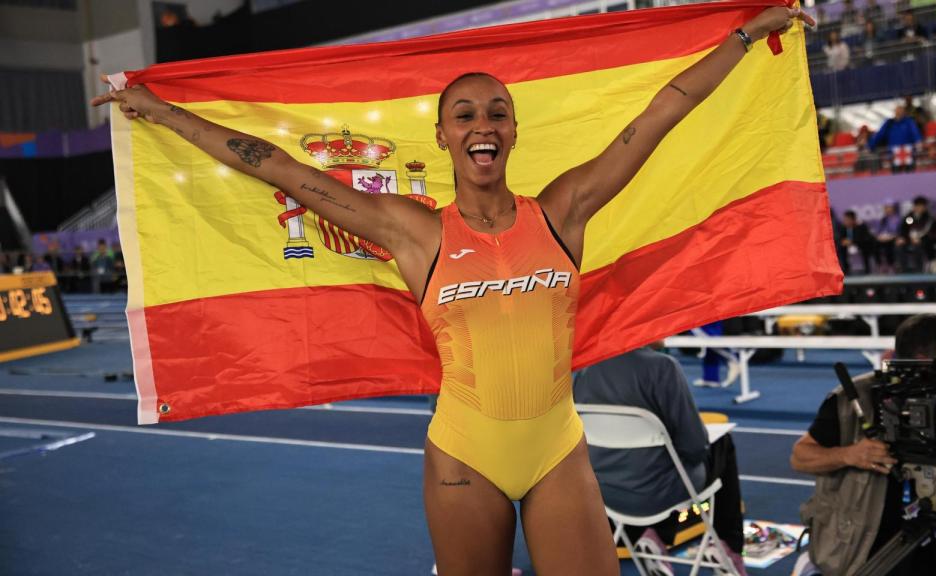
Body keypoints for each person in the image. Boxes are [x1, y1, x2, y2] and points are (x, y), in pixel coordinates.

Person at [92, 7, 811, 575]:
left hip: (558, 449)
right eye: (464, 115)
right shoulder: (414, 233)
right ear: (442, 137)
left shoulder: (563, 209)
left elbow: (659, 115)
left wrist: (746, 36)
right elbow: (277, 168)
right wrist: (160, 111)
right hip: (465, 457)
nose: (482, 125)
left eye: (496, 111)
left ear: (514, 130)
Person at [791, 314, 936, 576]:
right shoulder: (853, 399)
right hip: (867, 530)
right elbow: (800, 456)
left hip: (935, 510)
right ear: (923, 358)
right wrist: (851, 454)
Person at [573, 342, 747, 576]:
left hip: (607, 495)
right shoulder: (663, 368)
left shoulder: (582, 371)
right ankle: (728, 547)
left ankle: (647, 533)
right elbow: (695, 446)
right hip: (662, 492)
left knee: (644, 463)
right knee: (722, 445)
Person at [869, 104, 922, 173]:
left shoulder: (909, 122)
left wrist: (918, 142)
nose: (899, 113)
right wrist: (870, 145)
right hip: (894, 154)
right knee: (896, 177)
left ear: (904, 112)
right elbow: (879, 134)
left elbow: (915, 133)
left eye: (901, 111)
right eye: (897, 111)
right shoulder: (889, 123)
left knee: (910, 176)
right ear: (894, 112)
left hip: (908, 153)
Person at [896, 196, 930, 272]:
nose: (918, 208)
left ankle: (919, 269)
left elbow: (927, 230)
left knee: (917, 246)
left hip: (922, 240)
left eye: (921, 206)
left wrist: (919, 238)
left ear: (925, 207)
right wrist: (902, 238)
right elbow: (904, 229)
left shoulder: (928, 218)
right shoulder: (909, 217)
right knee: (900, 246)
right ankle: (903, 269)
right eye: (917, 206)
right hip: (909, 239)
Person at [836, 210, 875, 274]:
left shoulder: (861, 227)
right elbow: (840, 238)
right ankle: (845, 270)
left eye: (847, 219)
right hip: (847, 247)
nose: (845, 221)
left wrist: (852, 241)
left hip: (859, 245)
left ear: (853, 219)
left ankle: (867, 270)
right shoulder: (842, 228)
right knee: (840, 249)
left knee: (866, 248)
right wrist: (843, 241)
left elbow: (864, 238)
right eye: (845, 219)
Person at [874, 202, 901, 273]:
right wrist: (879, 236)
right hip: (882, 238)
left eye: (889, 208)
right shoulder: (882, 219)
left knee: (889, 245)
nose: (887, 210)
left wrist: (891, 236)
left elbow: (898, 231)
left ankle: (891, 265)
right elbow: (877, 231)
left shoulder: (898, 219)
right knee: (874, 244)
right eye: (886, 208)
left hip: (893, 238)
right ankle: (880, 265)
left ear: (893, 208)